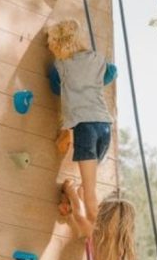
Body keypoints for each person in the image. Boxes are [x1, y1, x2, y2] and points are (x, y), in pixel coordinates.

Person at [47, 19, 117, 222]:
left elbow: (55, 87)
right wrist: (94, 82)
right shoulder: (96, 58)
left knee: (89, 191)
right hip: (104, 126)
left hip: (85, 129)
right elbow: (112, 72)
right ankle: (74, 198)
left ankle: (97, 232)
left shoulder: (60, 66)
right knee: (87, 186)